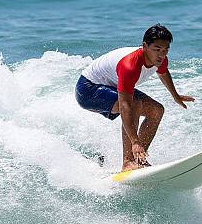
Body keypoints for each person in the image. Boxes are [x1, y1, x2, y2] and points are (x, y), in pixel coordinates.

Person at [75, 24, 195, 171]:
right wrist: (135, 141)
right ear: (145, 46)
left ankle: (139, 159)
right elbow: (126, 106)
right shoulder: (130, 66)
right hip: (88, 90)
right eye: (157, 49)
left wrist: (175, 95)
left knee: (156, 110)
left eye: (165, 50)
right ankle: (128, 162)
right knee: (134, 104)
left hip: (110, 86)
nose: (161, 55)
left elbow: (163, 73)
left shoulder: (160, 59)